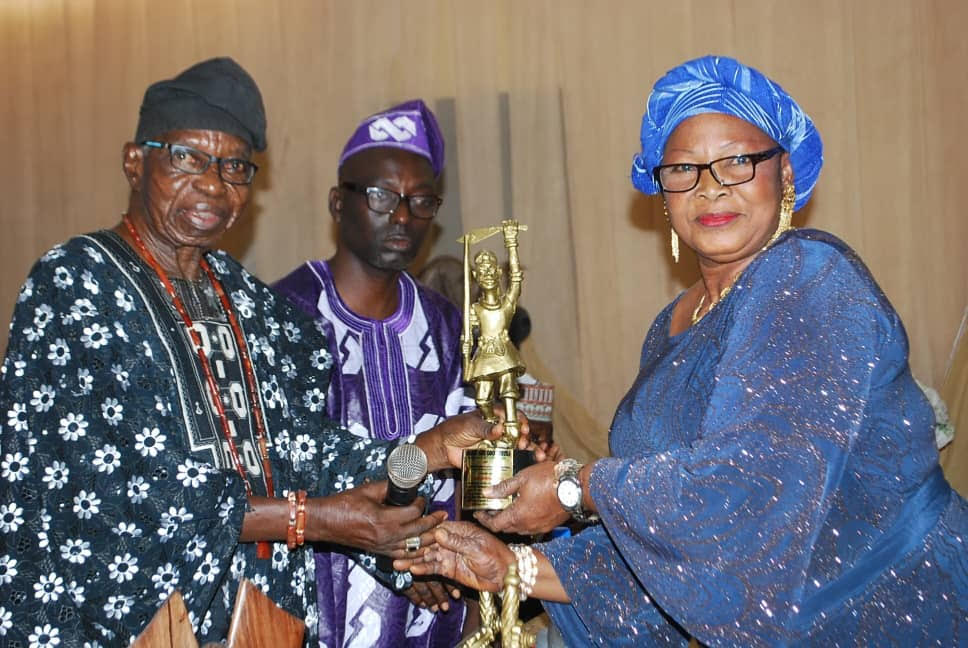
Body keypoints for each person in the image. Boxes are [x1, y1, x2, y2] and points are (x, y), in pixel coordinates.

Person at [396, 55, 968, 646]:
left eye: (738, 162)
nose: (711, 186)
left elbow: (743, 490)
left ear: (786, 172)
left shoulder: (807, 276)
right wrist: (510, 568)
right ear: (661, 194)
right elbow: (675, 546)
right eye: (684, 169)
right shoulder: (672, 323)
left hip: (896, 608)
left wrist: (573, 486)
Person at [0, 58, 503, 647]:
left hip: (253, 624)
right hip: (113, 625)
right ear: (135, 162)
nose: (213, 185)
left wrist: (425, 450)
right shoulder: (76, 284)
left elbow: (301, 449)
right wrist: (311, 519)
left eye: (235, 166)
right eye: (187, 157)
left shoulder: (251, 304)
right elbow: (114, 490)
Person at [273, 100, 470, 647]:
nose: (403, 216)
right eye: (382, 196)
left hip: (437, 602)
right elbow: (276, 470)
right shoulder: (282, 313)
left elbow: (464, 466)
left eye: (421, 200)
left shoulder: (445, 320)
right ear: (339, 202)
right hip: (318, 598)